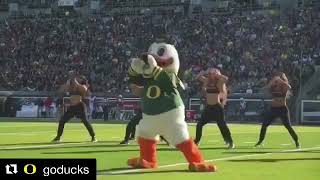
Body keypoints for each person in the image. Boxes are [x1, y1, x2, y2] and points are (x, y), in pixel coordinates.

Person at [255, 72, 300, 148]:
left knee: (288, 126)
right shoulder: (273, 86)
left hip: (282, 109)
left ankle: (296, 141)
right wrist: (272, 81)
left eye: (280, 78)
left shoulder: (284, 86)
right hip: (273, 109)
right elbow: (265, 88)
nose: (277, 80)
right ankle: (260, 141)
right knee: (264, 125)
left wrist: (281, 80)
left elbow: (289, 87)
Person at [194, 68, 235, 149]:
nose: (210, 75)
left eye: (211, 73)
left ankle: (230, 142)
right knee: (199, 124)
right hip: (209, 107)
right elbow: (197, 77)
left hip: (217, 107)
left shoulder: (219, 82)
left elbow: (226, 78)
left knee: (222, 126)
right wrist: (203, 72)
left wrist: (219, 75)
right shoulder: (207, 81)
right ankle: (197, 141)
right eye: (209, 73)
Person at [52, 75, 97, 143]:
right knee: (62, 121)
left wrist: (73, 79)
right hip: (72, 107)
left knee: (85, 122)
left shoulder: (83, 87)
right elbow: (64, 89)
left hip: (80, 106)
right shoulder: (72, 87)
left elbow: (80, 86)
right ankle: (58, 137)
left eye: (79, 79)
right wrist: (67, 83)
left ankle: (93, 137)